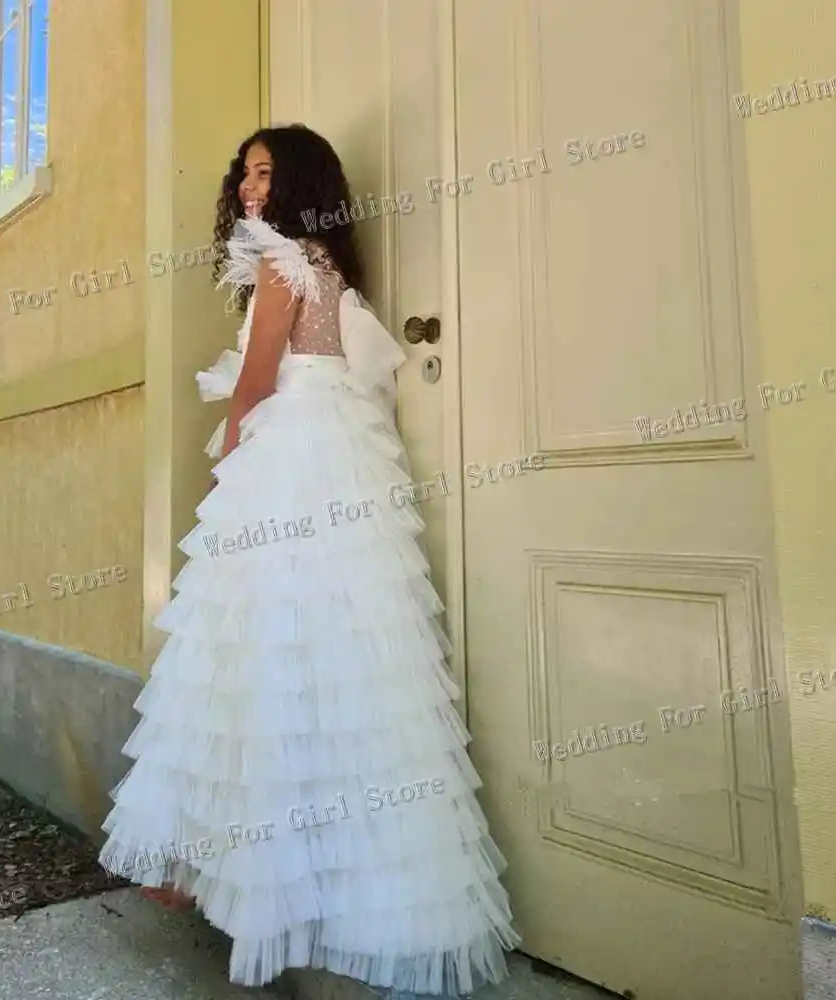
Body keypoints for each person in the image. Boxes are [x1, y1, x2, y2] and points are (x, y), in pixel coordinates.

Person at [98, 124, 520, 997]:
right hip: (344, 454)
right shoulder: (330, 267)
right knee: (342, 644)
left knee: (254, 640)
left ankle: (237, 872)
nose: (249, 186)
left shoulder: (281, 265)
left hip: (291, 451)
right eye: (242, 171)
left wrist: (228, 450)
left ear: (298, 183)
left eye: (264, 172)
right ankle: (339, 886)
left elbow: (258, 377)